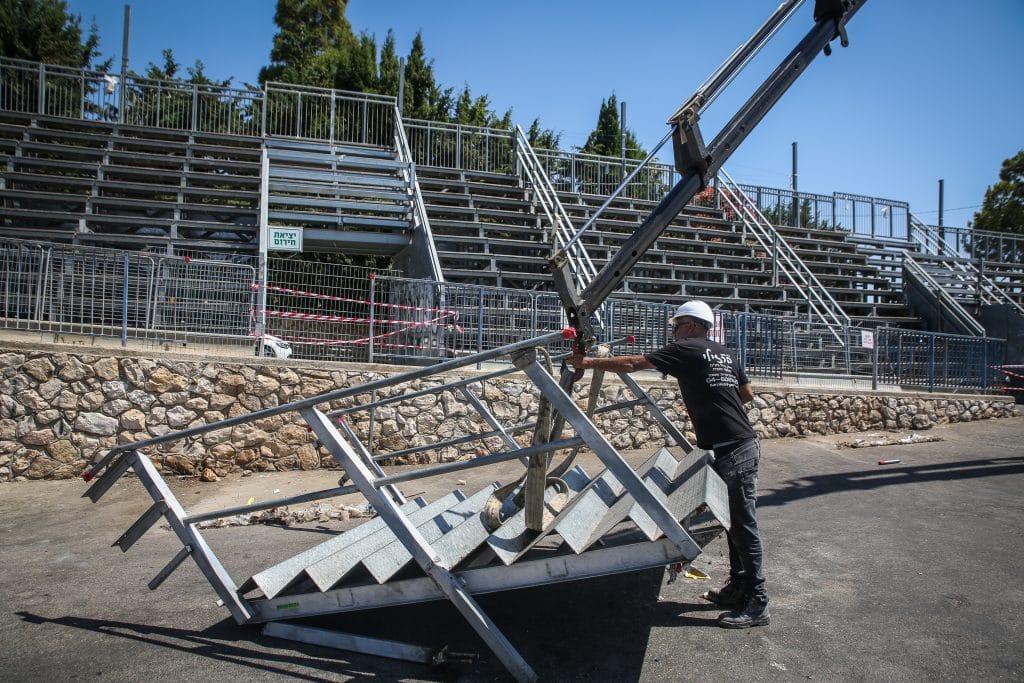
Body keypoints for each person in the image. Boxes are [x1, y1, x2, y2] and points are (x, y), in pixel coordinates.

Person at [568, 300, 769, 629]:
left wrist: (587, 361)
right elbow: (745, 394)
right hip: (737, 444)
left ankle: (758, 602)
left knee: (744, 525)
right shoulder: (724, 353)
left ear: (690, 326)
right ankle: (739, 587)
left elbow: (635, 362)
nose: (673, 333)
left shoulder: (687, 349)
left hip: (735, 450)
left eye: (676, 326)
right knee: (733, 522)